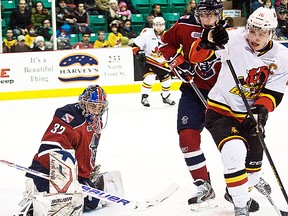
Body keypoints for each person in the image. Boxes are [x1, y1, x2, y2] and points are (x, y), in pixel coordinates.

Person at [188, 6, 288, 215]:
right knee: (234, 153)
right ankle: (241, 207)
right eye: (252, 31)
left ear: (272, 33)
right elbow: (196, 57)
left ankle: (235, 191)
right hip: (221, 110)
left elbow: (274, 92)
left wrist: (261, 112)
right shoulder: (233, 39)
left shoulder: (282, 57)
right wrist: (209, 39)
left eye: (262, 33)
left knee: (252, 170)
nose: (255, 37)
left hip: (252, 115)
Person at [159, 0, 226, 210]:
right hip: (193, 91)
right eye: (203, 14)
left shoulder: (230, 33)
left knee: (230, 142)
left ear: (219, 15)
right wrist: (177, 61)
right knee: (187, 137)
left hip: (223, 96)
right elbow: (164, 44)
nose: (207, 19)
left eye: (211, 15)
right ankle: (203, 185)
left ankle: (239, 185)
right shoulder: (184, 26)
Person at [17, 85, 124, 215]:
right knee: (69, 206)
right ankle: (34, 204)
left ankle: (85, 184)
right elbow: (49, 148)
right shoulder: (70, 117)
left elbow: (86, 149)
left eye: (100, 107)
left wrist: (85, 171)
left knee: (92, 201)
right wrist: (70, 176)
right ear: (83, 103)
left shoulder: (96, 122)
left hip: (75, 173)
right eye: (92, 106)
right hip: (48, 170)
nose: (96, 111)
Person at [133, 16, 175, 107]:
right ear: (153, 25)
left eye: (161, 25)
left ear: (164, 25)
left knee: (167, 81)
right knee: (150, 78)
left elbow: (173, 48)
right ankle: (144, 97)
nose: (159, 27)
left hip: (162, 62)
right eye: (157, 25)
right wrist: (139, 52)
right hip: (149, 61)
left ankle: (165, 97)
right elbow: (135, 45)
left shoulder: (168, 35)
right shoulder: (147, 33)